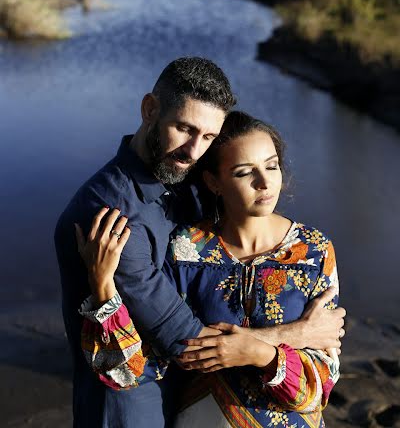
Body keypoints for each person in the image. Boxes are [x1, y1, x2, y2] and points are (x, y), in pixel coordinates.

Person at [77, 111, 343, 428]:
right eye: (245, 173)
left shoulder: (314, 250)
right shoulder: (186, 250)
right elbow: (135, 369)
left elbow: (322, 384)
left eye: (271, 166)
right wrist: (103, 286)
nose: (264, 182)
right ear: (213, 182)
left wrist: (263, 355)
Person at [55, 57, 235, 428]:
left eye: (209, 137)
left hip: (173, 395)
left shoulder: (180, 179)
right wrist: (293, 336)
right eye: (184, 128)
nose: (194, 151)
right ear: (149, 109)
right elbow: (187, 342)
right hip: (127, 407)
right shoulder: (108, 213)